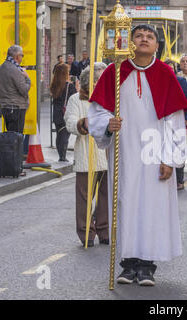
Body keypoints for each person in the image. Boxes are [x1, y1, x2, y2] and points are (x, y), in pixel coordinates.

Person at [88, 24, 187, 286]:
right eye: (139, 36)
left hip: (156, 153)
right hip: (125, 151)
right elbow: (97, 112)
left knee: (153, 206)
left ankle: (147, 266)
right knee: (125, 203)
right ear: (130, 42)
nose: (144, 40)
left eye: (150, 37)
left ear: (157, 45)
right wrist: (108, 125)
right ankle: (128, 263)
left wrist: (170, 158)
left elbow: (175, 121)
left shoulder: (165, 74)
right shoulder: (114, 72)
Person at [64, 62, 109, 247]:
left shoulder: (110, 99)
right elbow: (70, 122)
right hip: (86, 154)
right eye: (96, 79)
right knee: (85, 198)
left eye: (102, 79)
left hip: (106, 155)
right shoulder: (77, 99)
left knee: (106, 197)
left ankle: (104, 230)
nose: (99, 82)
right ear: (87, 81)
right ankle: (86, 233)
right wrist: (84, 123)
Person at [164, 59, 187, 191]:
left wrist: (185, 118)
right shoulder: (158, 83)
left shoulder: (181, 82)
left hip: (179, 122)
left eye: (172, 69)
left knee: (178, 151)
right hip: (162, 123)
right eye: (167, 69)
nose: (170, 72)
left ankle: (179, 180)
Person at [0, 45, 31, 135]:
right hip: (16, 108)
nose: (22, 57)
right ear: (17, 56)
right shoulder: (15, 70)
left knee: (11, 136)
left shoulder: (2, 66)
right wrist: (28, 79)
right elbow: (24, 89)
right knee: (16, 138)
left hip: (6, 107)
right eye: (22, 55)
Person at [50, 63, 77, 162]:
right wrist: (76, 87)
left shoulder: (54, 85)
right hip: (65, 113)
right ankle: (62, 156)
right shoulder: (69, 86)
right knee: (65, 135)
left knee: (59, 134)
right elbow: (74, 98)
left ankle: (60, 155)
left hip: (57, 113)